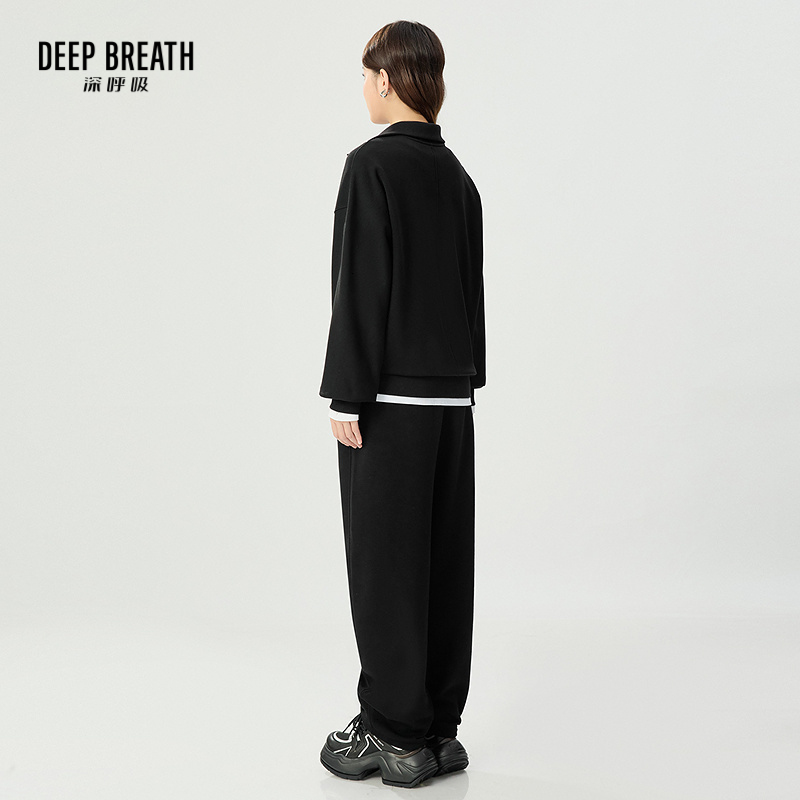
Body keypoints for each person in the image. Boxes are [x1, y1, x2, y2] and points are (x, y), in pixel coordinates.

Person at [318, 20, 485, 789]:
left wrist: (347, 392)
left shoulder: (371, 166)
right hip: (452, 402)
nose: (363, 87)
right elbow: (471, 294)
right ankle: (439, 731)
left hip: (388, 401)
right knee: (442, 566)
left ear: (387, 77)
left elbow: (360, 283)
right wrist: (465, 382)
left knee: (386, 569)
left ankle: (392, 733)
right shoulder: (459, 178)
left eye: (365, 75)